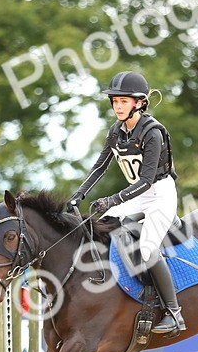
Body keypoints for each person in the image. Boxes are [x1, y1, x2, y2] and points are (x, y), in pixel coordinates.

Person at [68, 70, 185, 335]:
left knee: (146, 249)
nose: (118, 106)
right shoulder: (116, 131)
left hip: (160, 193)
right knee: (105, 224)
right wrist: (79, 193)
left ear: (139, 103)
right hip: (138, 195)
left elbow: (146, 181)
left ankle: (174, 313)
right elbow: (100, 167)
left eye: (124, 101)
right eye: (115, 101)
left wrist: (112, 199)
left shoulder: (152, 133)